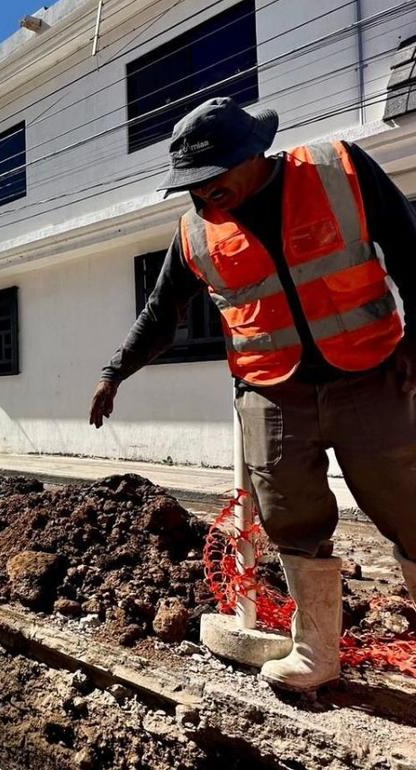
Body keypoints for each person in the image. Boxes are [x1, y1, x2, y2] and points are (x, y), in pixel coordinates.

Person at [88, 97, 416, 692]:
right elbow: (162, 313)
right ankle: (317, 651)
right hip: (272, 391)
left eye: (212, 178)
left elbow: (411, 248)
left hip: (371, 373)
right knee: (290, 517)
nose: (201, 193)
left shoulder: (337, 170)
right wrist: (115, 372)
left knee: (408, 505)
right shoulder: (196, 231)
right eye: (191, 184)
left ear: (253, 154)